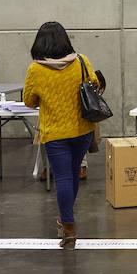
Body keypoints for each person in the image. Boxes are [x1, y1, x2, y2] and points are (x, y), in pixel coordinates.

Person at [22, 21, 98, 249]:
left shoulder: (36, 69)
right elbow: (94, 83)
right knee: (73, 175)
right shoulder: (81, 61)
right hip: (82, 130)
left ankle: (68, 226)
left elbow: (28, 101)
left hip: (55, 134)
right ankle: (65, 220)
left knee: (63, 178)